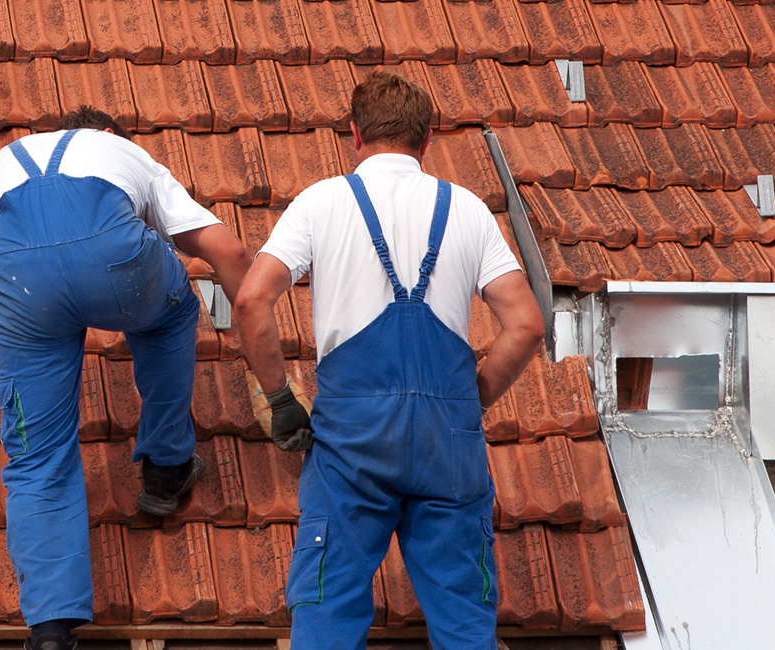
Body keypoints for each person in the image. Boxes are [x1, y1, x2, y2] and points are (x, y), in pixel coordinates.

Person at [233, 73, 547, 648]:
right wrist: (468, 402)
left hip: (351, 441)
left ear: (354, 134)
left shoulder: (321, 202)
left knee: (327, 611)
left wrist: (281, 400)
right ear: (427, 140)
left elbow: (252, 300)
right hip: (447, 444)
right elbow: (526, 323)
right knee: (464, 621)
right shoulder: (469, 211)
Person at [0, 107, 255, 650]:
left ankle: (51, 631)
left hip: (25, 295)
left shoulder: (2, 162)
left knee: (35, 458)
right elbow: (229, 250)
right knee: (173, 310)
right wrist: (260, 345)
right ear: (106, 135)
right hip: (116, 272)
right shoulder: (127, 152)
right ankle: (167, 468)